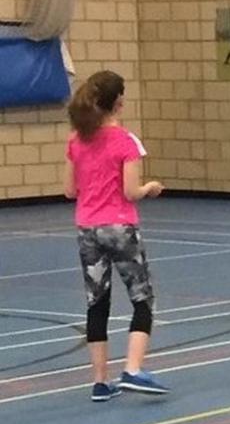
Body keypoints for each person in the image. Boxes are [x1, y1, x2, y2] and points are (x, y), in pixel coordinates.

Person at [64, 71, 171, 401]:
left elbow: (70, 190)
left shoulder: (75, 140)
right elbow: (130, 191)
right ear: (120, 102)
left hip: (87, 229)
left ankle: (99, 381)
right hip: (119, 227)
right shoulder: (126, 141)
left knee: (97, 302)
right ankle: (134, 369)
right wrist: (149, 188)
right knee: (142, 297)